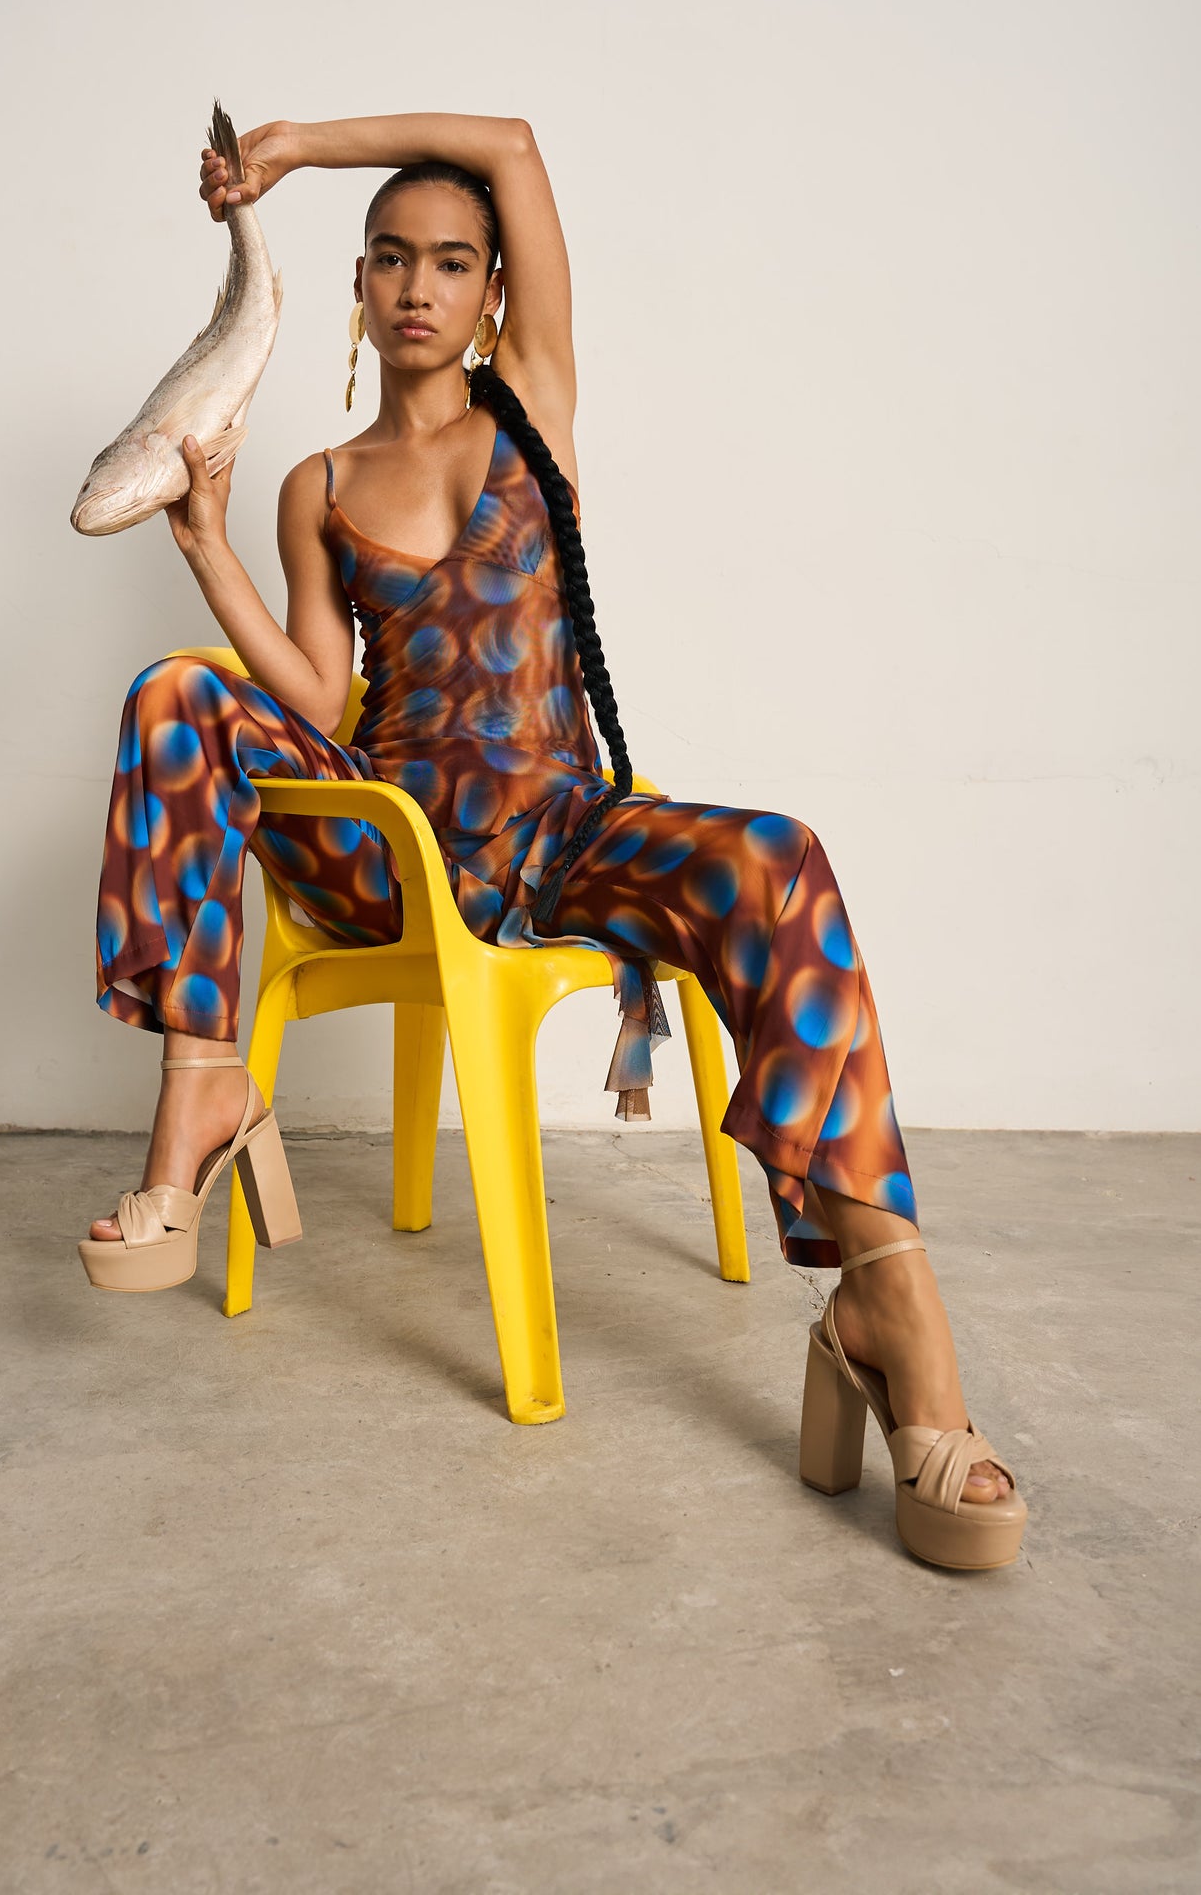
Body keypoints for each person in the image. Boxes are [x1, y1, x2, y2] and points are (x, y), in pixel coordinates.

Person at [78, 113, 1025, 1570]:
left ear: (493, 291)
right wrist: (205, 542)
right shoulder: (316, 486)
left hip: (562, 827)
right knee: (172, 692)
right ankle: (203, 1092)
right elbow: (320, 701)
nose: (418, 286)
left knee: (777, 858)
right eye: (390, 258)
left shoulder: (531, 404)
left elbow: (513, 146)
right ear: (356, 284)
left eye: (451, 262)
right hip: (395, 845)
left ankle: (883, 1299)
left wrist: (297, 150)